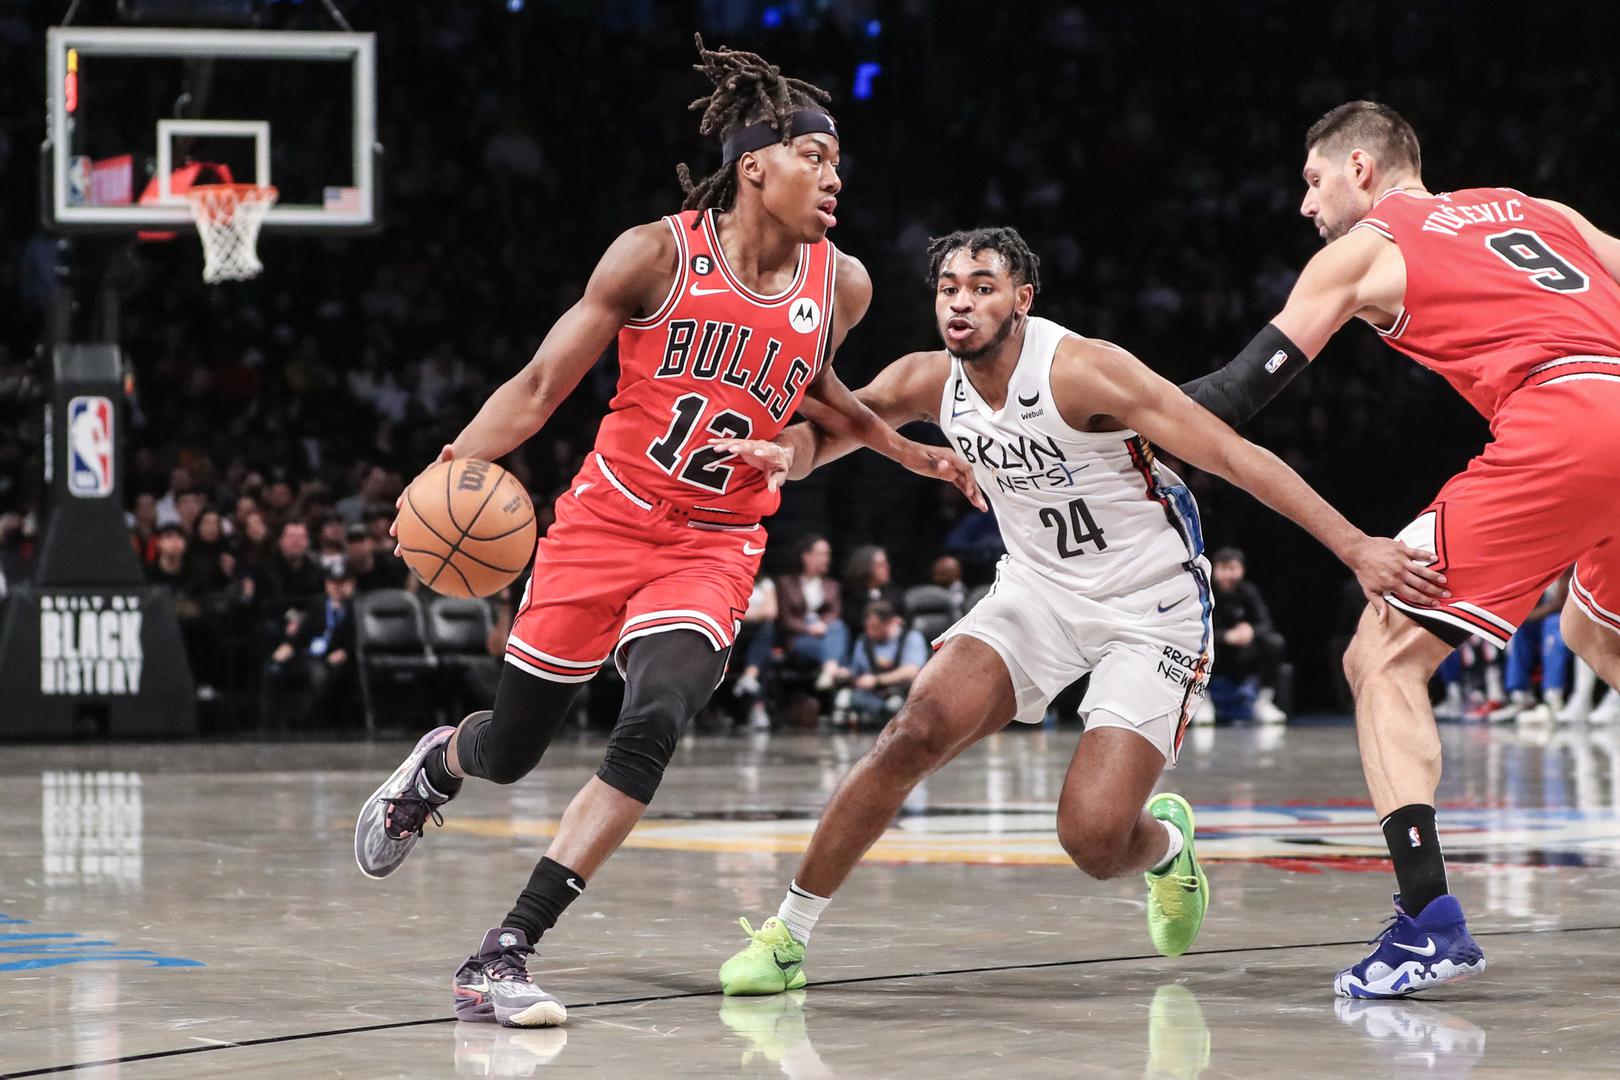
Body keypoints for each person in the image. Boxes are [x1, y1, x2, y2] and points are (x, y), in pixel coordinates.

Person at [351, 37, 981, 1030]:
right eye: (815, 157)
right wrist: (448, 466)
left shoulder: (843, 284)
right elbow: (540, 386)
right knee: (510, 749)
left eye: (838, 161)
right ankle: (441, 763)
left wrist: (905, 450)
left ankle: (505, 949)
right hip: (605, 520)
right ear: (755, 166)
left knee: (654, 719)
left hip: (715, 541)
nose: (835, 177)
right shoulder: (655, 255)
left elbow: (816, 391)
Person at [709, 226, 1438, 996]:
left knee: (1093, 838)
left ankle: (1166, 847)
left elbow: (1232, 455)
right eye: (949, 288)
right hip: (1037, 593)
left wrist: (1355, 545)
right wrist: (788, 455)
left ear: (1022, 300)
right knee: (910, 733)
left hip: (1150, 606)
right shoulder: (928, 378)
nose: (960, 303)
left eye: (982, 287)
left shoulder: (1083, 371)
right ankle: (788, 935)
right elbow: (834, 430)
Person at [1215, 100, 1620, 996]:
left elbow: (1241, 391)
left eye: (1314, 180)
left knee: (1381, 657)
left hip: (1562, 418)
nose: (1305, 204)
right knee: (1596, 634)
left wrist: (1114, 415)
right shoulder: (1532, 207)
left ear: (1360, 168)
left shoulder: (1368, 246)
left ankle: (1428, 923)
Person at [261, 561, 358, 730]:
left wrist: (346, 651)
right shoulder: (318, 604)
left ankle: (305, 724)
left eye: (342, 582)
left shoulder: (356, 608)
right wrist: (287, 647)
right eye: (333, 582)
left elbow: (356, 638)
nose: (337, 587)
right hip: (309, 656)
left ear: (351, 584)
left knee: (320, 675)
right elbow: (302, 633)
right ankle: (270, 724)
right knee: (272, 668)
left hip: (334, 659)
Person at [1206, 547, 1288, 724]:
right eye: (1223, 568)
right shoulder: (1205, 591)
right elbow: (1197, 626)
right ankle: (1203, 703)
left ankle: (1263, 702)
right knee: (1199, 646)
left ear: (1241, 569)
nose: (1228, 575)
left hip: (1243, 653)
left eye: (1232, 568)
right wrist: (1225, 636)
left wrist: (1250, 631)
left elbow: (1266, 623)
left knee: (1274, 643)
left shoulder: (1249, 591)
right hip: (1216, 651)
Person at [833, 600, 927, 725]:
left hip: (902, 694)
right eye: (867, 626)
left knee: (895, 705)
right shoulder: (864, 642)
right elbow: (856, 671)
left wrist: (877, 680)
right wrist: (845, 674)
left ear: (890, 623)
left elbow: (911, 672)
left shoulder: (911, 637)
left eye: (875, 627)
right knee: (844, 697)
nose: (869, 631)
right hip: (870, 694)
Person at [775, 535, 848, 691]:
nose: (827, 559)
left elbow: (834, 613)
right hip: (799, 637)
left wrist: (822, 625)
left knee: (838, 626)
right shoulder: (786, 583)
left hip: (825, 633)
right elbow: (785, 619)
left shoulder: (832, 585)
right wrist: (809, 628)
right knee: (838, 650)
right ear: (806, 556)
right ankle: (835, 672)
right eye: (822, 554)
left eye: (828, 554)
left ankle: (829, 671)